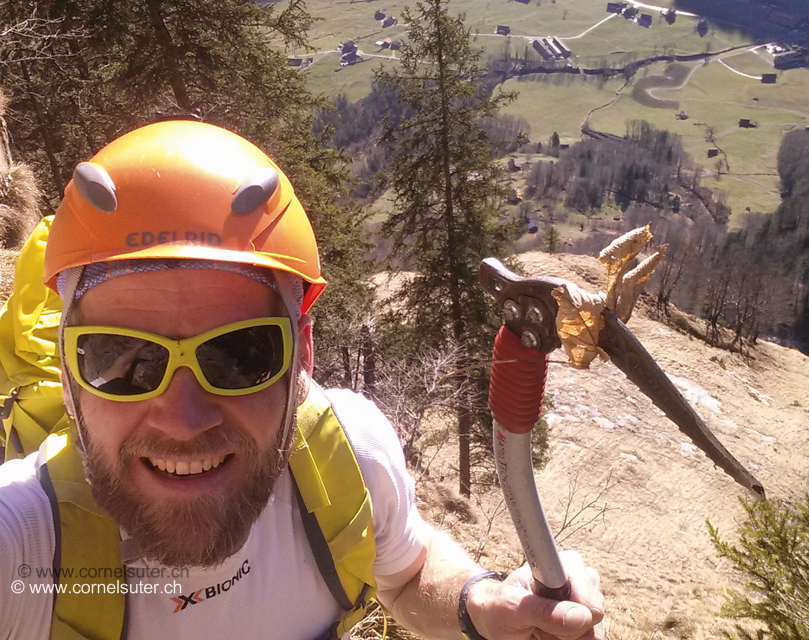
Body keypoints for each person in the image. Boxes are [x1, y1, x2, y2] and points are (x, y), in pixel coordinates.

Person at [0, 120, 604, 640]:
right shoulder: (24, 545)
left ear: (303, 356)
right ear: (69, 374)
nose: (183, 418)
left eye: (238, 354)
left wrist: (479, 602)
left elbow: (407, 569)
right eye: (124, 359)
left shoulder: (348, 459)